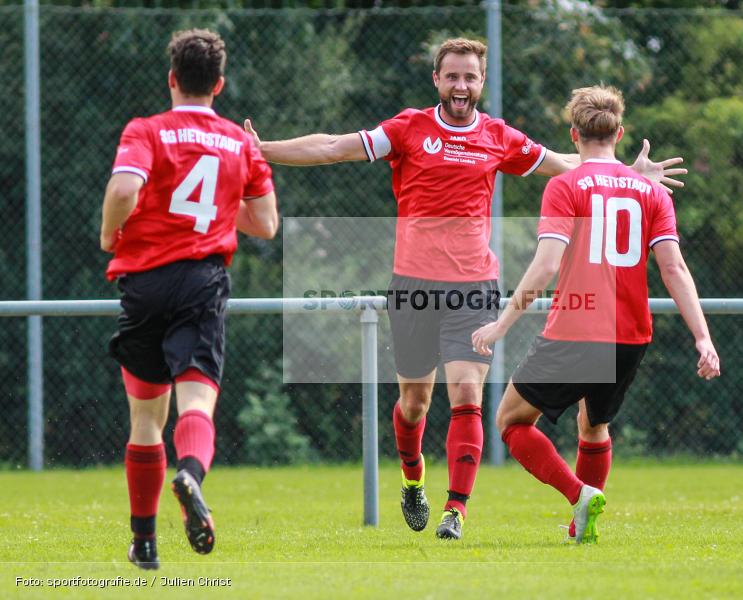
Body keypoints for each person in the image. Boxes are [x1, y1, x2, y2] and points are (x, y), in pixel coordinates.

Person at [244, 38, 685, 540]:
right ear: (437, 79)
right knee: (414, 403)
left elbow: (574, 163)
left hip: (474, 285)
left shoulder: (497, 136)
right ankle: (414, 480)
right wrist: (261, 150)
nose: (461, 86)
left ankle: (456, 511)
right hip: (412, 285)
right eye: (452, 76)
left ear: (481, 82)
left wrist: (631, 175)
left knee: (468, 394)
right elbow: (333, 146)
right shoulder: (409, 128)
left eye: (470, 77)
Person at [471, 84, 720, 543]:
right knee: (595, 424)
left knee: (510, 421)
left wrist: (502, 323)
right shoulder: (651, 194)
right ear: (619, 133)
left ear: (573, 134)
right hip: (630, 334)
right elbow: (674, 268)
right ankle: (580, 527)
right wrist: (703, 337)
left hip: (577, 328)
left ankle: (578, 494)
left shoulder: (565, 186)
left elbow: (546, 265)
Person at [100, 29, 278, 569]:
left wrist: (110, 234)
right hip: (202, 282)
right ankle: (191, 474)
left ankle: (145, 543)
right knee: (196, 404)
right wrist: (224, 209)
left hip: (144, 281)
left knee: (145, 421)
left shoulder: (146, 130)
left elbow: (126, 189)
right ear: (218, 84)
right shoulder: (240, 142)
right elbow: (266, 224)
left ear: (172, 78)